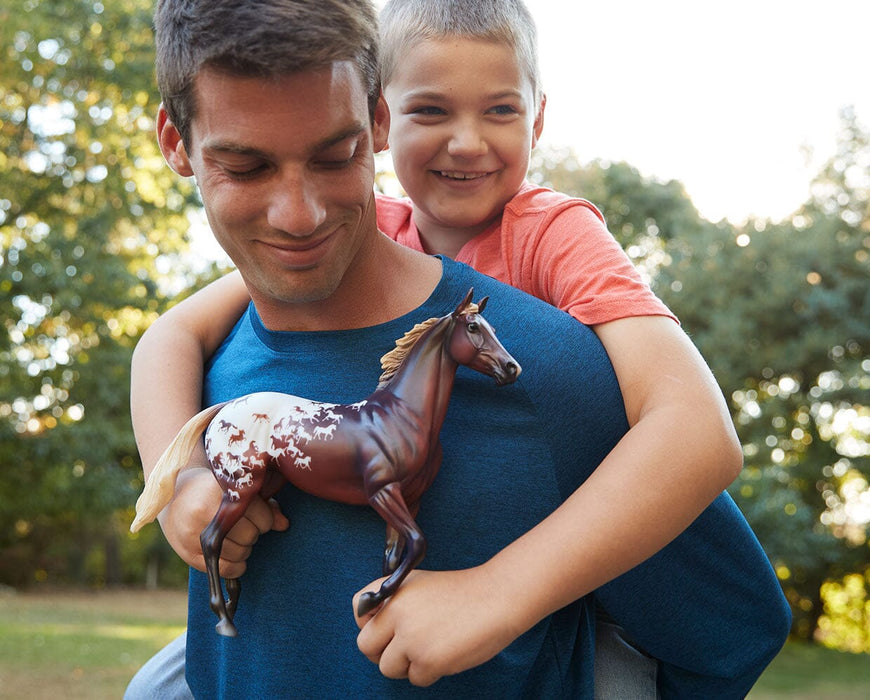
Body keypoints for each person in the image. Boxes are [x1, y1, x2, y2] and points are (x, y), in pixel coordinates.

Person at [127, 0, 790, 697]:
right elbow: (166, 334)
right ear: (176, 144)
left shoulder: (554, 304)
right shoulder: (225, 348)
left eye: (335, 155)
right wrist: (174, 481)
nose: (301, 216)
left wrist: (499, 592)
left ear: (371, 125)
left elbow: (700, 454)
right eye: (246, 166)